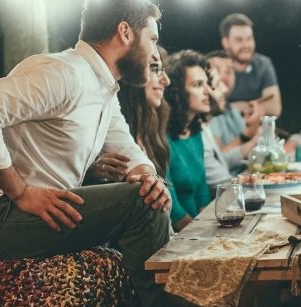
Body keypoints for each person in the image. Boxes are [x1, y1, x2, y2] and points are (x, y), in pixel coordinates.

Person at [0, 0, 174, 307]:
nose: (155, 53)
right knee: (141, 206)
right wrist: (20, 191)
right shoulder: (65, 74)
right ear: (125, 33)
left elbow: (127, 148)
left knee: (150, 194)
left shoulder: (102, 89)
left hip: (29, 215)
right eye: (153, 39)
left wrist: (148, 176)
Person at [89, 46, 172, 182]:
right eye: (155, 69)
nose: (166, 80)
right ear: (132, 73)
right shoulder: (107, 127)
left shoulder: (153, 125)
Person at [164, 50, 213, 232]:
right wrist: (202, 236)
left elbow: (202, 192)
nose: (208, 91)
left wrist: (210, 228)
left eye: (207, 83)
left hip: (198, 228)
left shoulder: (194, 131)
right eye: (198, 85)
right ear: (177, 91)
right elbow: (174, 212)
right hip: (177, 236)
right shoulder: (161, 137)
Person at [220, 13, 282, 136]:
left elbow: (275, 108)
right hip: (225, 135)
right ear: (226, 42)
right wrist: (257, 106)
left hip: (259, 132)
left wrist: (235, 107)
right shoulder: (217, 65)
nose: (246, 45)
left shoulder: (263, 64)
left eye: (249, 38)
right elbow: (212, 110)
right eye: (239, 40)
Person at [205, 49, 257, 173]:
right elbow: (216, 160)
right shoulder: (210, 112)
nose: (223, 77)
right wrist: (249, 137)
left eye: (229, 71)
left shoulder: (231, 109)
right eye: (217, 71)